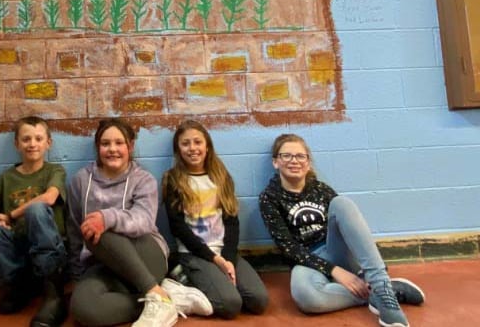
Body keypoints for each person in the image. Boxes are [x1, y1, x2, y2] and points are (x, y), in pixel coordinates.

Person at [259, 133, 425, 327]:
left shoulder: (322, 189)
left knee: (342, 203)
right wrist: (334, 271)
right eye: (286, 156)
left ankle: (380, 284)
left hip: (337, 248)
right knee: (307, 298)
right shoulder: (268, 199)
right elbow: (289, 249)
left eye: (300, 156)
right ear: (275, 162)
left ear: (308, 162)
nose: (294, 161)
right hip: (307, 260)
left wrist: (344, 265)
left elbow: (348, 228)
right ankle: (380, 292)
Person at [67, 118, 208, 327]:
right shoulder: (81, 180)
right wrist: (78, 274)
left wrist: (107, 218)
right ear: (98, 147)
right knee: (83, 308)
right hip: (105, 263)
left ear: (130, 146)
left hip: (146, 258)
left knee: (97, 229)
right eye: (105, 144)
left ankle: (151, 289)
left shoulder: (144, 179)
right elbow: (73, 229)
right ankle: (166, 298)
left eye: (119, 143)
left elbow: (143, 221)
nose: (112, 149)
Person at [162, 120, 268, 319]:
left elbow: (232, 222)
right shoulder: (173, 179)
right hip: (195, 254)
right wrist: (215, 259)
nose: (192, 148)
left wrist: (227, 258)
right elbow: (178, 228)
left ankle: (209, 280)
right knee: (230, 305)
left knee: (258, 300)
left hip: (224, 252)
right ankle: (181, 280)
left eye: (197, 142)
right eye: (185, 143)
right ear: (178, 149)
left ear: (207, 146)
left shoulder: (220, 176)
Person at [0, 116, 68, 327]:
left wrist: (10, 215)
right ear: (17, 144)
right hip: (19, 250)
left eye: (38, 138)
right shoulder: (6, 178)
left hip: (49, 251)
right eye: (26, 139)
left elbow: (49, 198)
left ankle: (53, 292)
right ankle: (19, 286)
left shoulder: (54, 171)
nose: (32, 144)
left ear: (49, 143)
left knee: (36, 209)